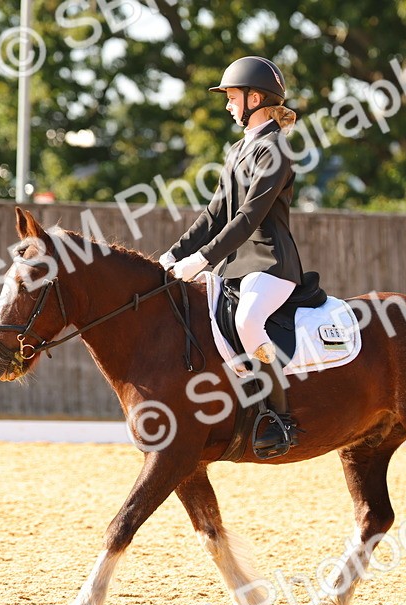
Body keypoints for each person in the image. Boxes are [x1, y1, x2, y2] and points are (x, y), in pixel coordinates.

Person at [160, 55, 304, 457]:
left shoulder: (276, 151)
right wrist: (175, 253)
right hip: (233, 265)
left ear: (255, 98)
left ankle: (280, 416)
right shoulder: (239, 149)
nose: (227, 105)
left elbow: (248, 217)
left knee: (248, 319)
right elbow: (214, 215)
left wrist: (201, 260)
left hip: (270, 264)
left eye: (232, 97)